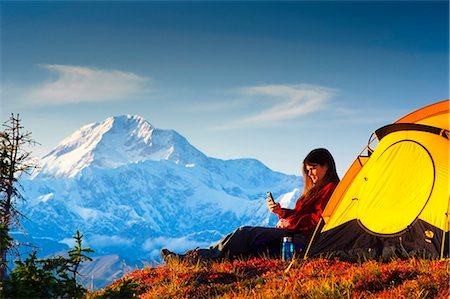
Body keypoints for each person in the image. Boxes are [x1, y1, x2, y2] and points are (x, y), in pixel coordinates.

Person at [160, 148, 340, 263]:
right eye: (308, 170)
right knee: (249, 244)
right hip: (294, 232)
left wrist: (289, 223)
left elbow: (318, 219)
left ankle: (198, 257)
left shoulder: (332, 189)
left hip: (305, 239)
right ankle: (198, 258)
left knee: (245, 233)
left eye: (314, 168)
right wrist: (282, 212)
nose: (311, 174)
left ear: (326, 166)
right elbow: (302, 213)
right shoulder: (317, 189)